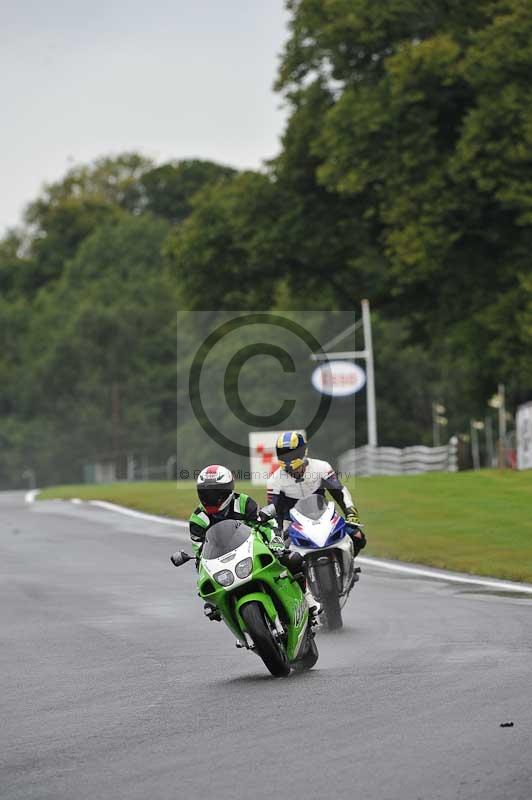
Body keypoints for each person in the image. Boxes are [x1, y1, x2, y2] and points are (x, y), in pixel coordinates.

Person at [183, 464, 316, 620]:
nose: (210, 499)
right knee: (210, 604)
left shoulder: (244, 502)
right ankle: (241, 626)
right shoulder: (197, 519)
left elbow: (266, 524)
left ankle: (307, 597)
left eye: (215, 494)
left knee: (294, 559)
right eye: (205, 494)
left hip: (253, 550)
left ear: (228, 491)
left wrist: (275, 541)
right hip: (222, 564)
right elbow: (200, 553)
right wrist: (202, 575)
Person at [267, 431, 366, 554]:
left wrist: (350, 513)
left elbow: (339, 492)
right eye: (284, 455)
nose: (289, 459)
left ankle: (348, 569)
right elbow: (275, 513)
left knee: (358, 537)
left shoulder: (321, 467)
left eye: (292, 454)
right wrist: (277, 535)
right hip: (293, 525)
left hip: (324, 517)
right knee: (280, 554)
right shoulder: (274, 480)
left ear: (303, 452)